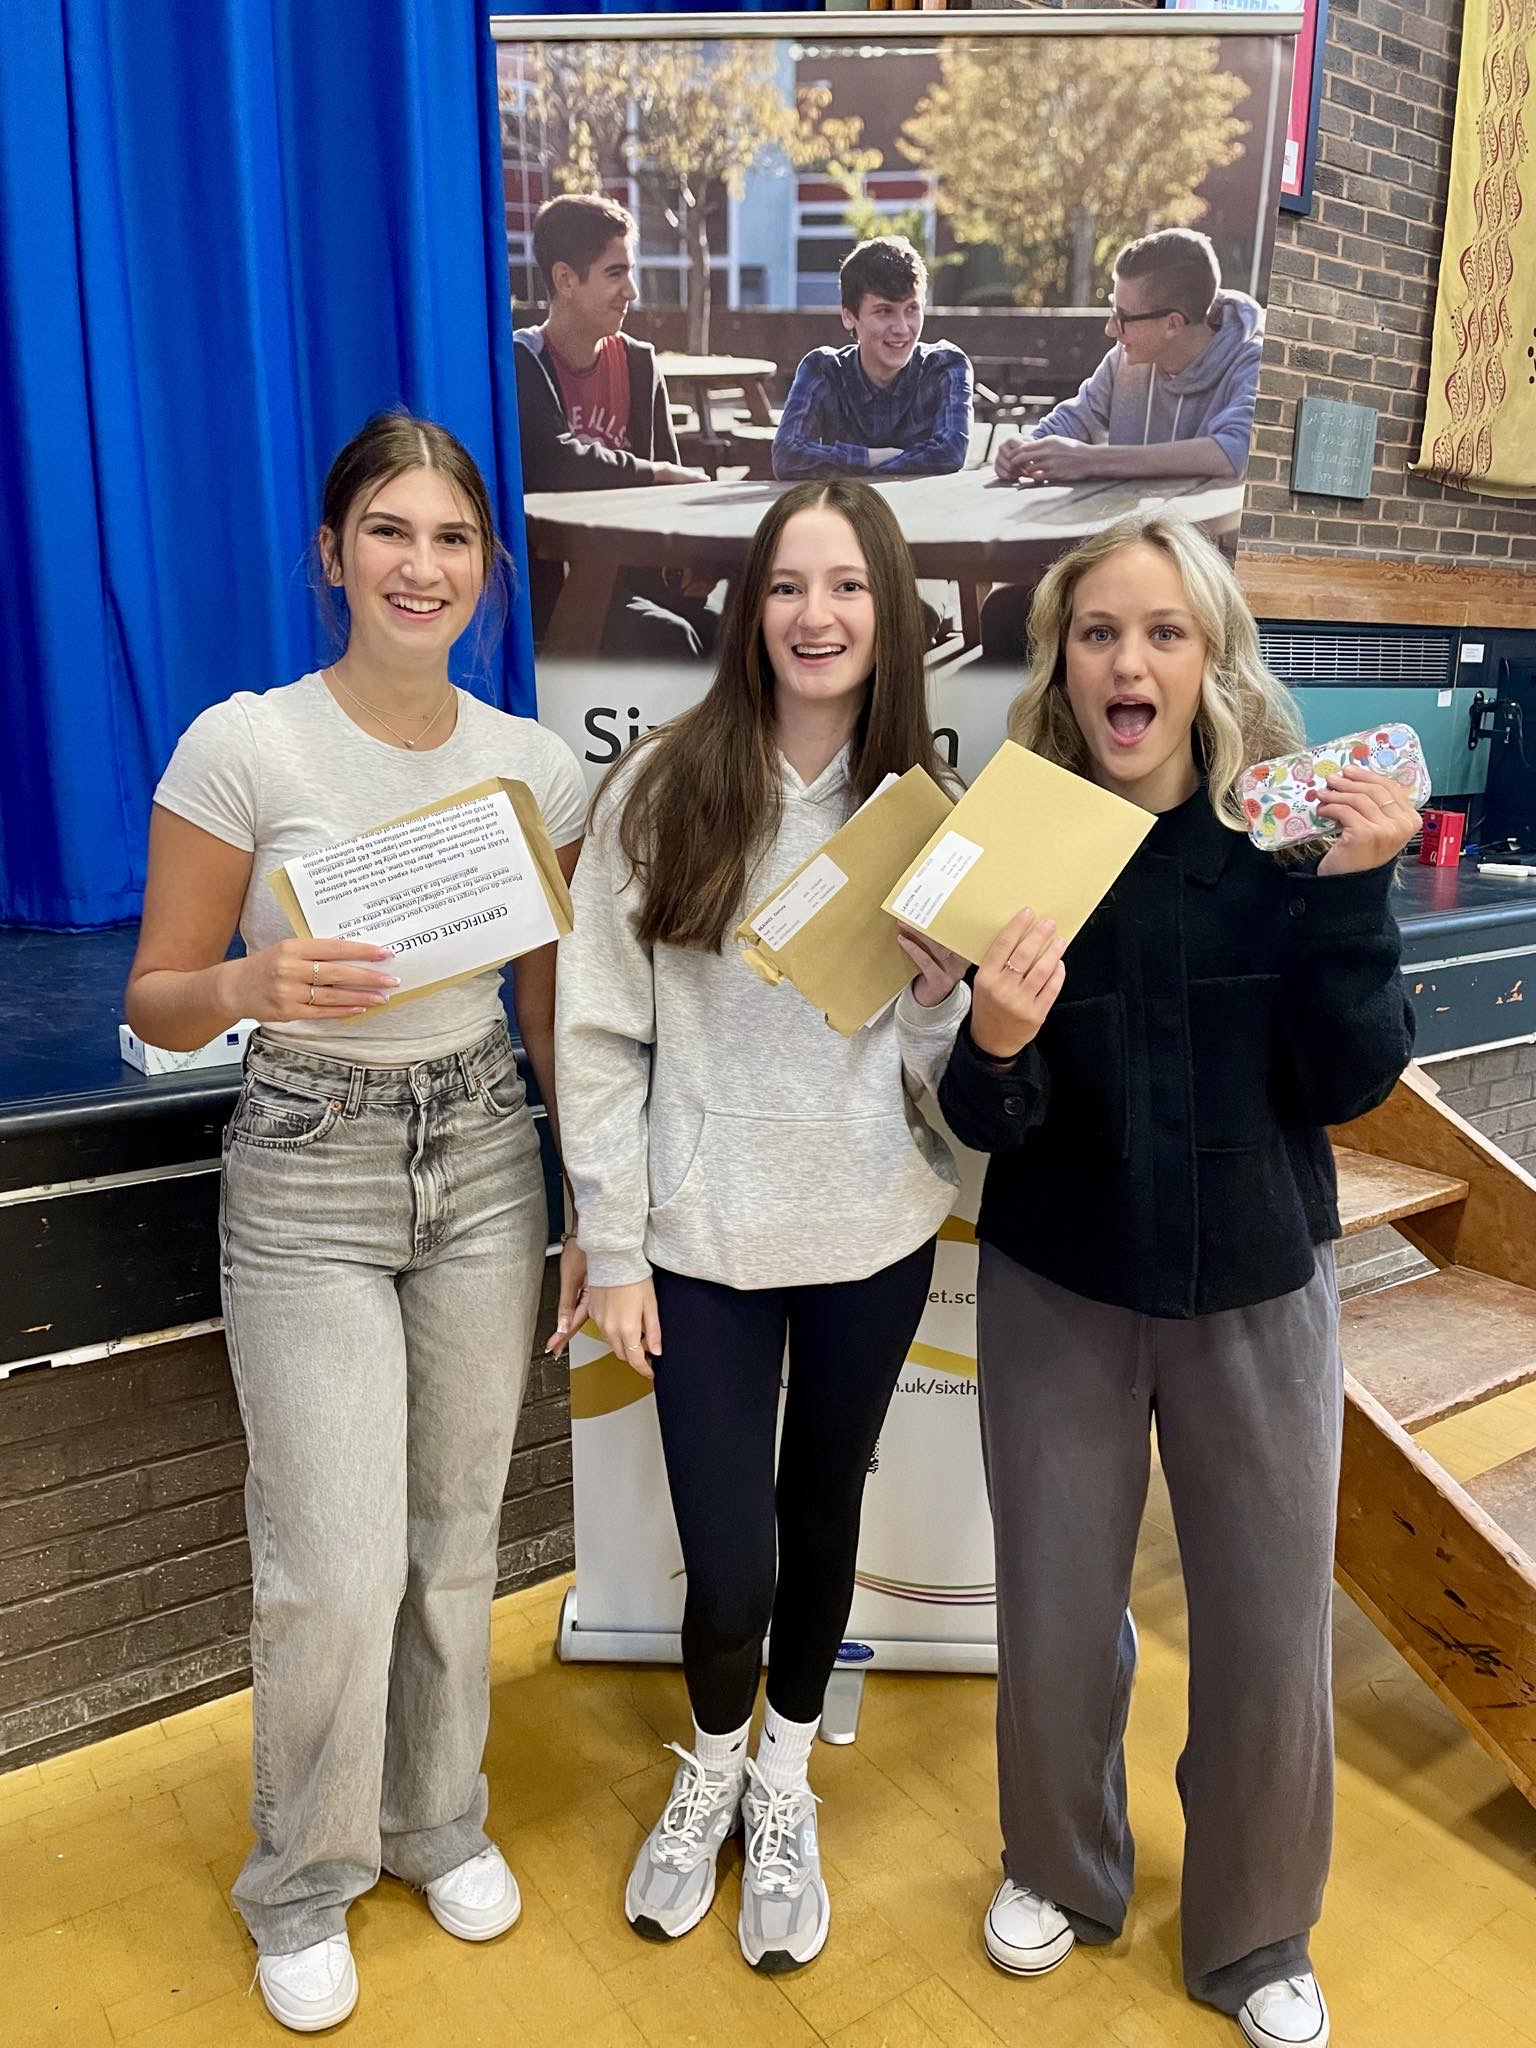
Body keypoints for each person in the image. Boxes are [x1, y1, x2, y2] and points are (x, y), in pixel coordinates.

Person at [125, 412, 589, 2034]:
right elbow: (158, 1002)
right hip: (307, 1161)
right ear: (333, 554)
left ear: (487, 570)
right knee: (330, 1562)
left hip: (480, 1155)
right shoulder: (244, 746)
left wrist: (591, 1198)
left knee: (458, 1535)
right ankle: (302, 1875)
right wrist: (252, 983)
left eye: (451, 537)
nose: (420, 562)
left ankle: (434, 1818)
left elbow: (555, 1023)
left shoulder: (535, 769)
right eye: (388, 530)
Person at [937, 513, 1416, 2048]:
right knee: (1059, 1613)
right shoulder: (1018, 848)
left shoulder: (1284, 844)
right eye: (1097, 633)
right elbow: (981, 1116)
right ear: (1060, 664)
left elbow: (1349, 1081)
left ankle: (1257, 1930)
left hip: (1260, 1285)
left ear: (1212, 660)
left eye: (1162, 632)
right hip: (1059, 1287)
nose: (1127, 659)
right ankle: (1059, 1873)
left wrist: (1352, 894)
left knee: (1272, 1629)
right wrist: (994, 1043)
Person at [555, 479, 970, 1973]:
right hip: (703, 1240)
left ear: (893, 612)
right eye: (789, 585)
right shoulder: (665, 788)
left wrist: (939, 997)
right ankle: (713, 1763)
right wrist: (612, 1245)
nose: (815, 615)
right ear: (751, 608)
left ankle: (785, 1777)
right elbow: (600, 1034)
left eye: (848, 587)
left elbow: (945, 1068)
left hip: (873, 1228)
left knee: (823, 1519)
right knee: (728, 1562)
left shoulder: (928, 819)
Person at [981, 229, 1263, 662]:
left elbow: (1232, 452)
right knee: (1004, 615)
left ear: (1172, 323)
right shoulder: (1125, 360)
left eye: (1124, 316)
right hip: (1119, 563)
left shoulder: (1250, 360)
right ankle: (1037, 731)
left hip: (1196, 576)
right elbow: (1073, 419)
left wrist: (1093, 462)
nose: (1112, 328)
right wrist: (1025, 446)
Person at [513, 192, 713, 655]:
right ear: (565, 279)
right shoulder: (523, 362)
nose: (632, 291)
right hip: (556, 593)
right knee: (672, 642)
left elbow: (674, 488)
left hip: (641, 577)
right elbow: (556, 461)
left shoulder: (639, 365)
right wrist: (655, 473)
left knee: (745, 634)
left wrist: (700, 556)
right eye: (615, 273)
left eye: (630, 271)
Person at [772, 235, 973, 481]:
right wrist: (873, 457)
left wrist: (851, 463)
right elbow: (787, 456)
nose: (902, 328)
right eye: (884, 311)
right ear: (849, 317)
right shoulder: (823, 368)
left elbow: (951, 452)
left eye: (912, 309)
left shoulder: (945, 366)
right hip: (847, 513)